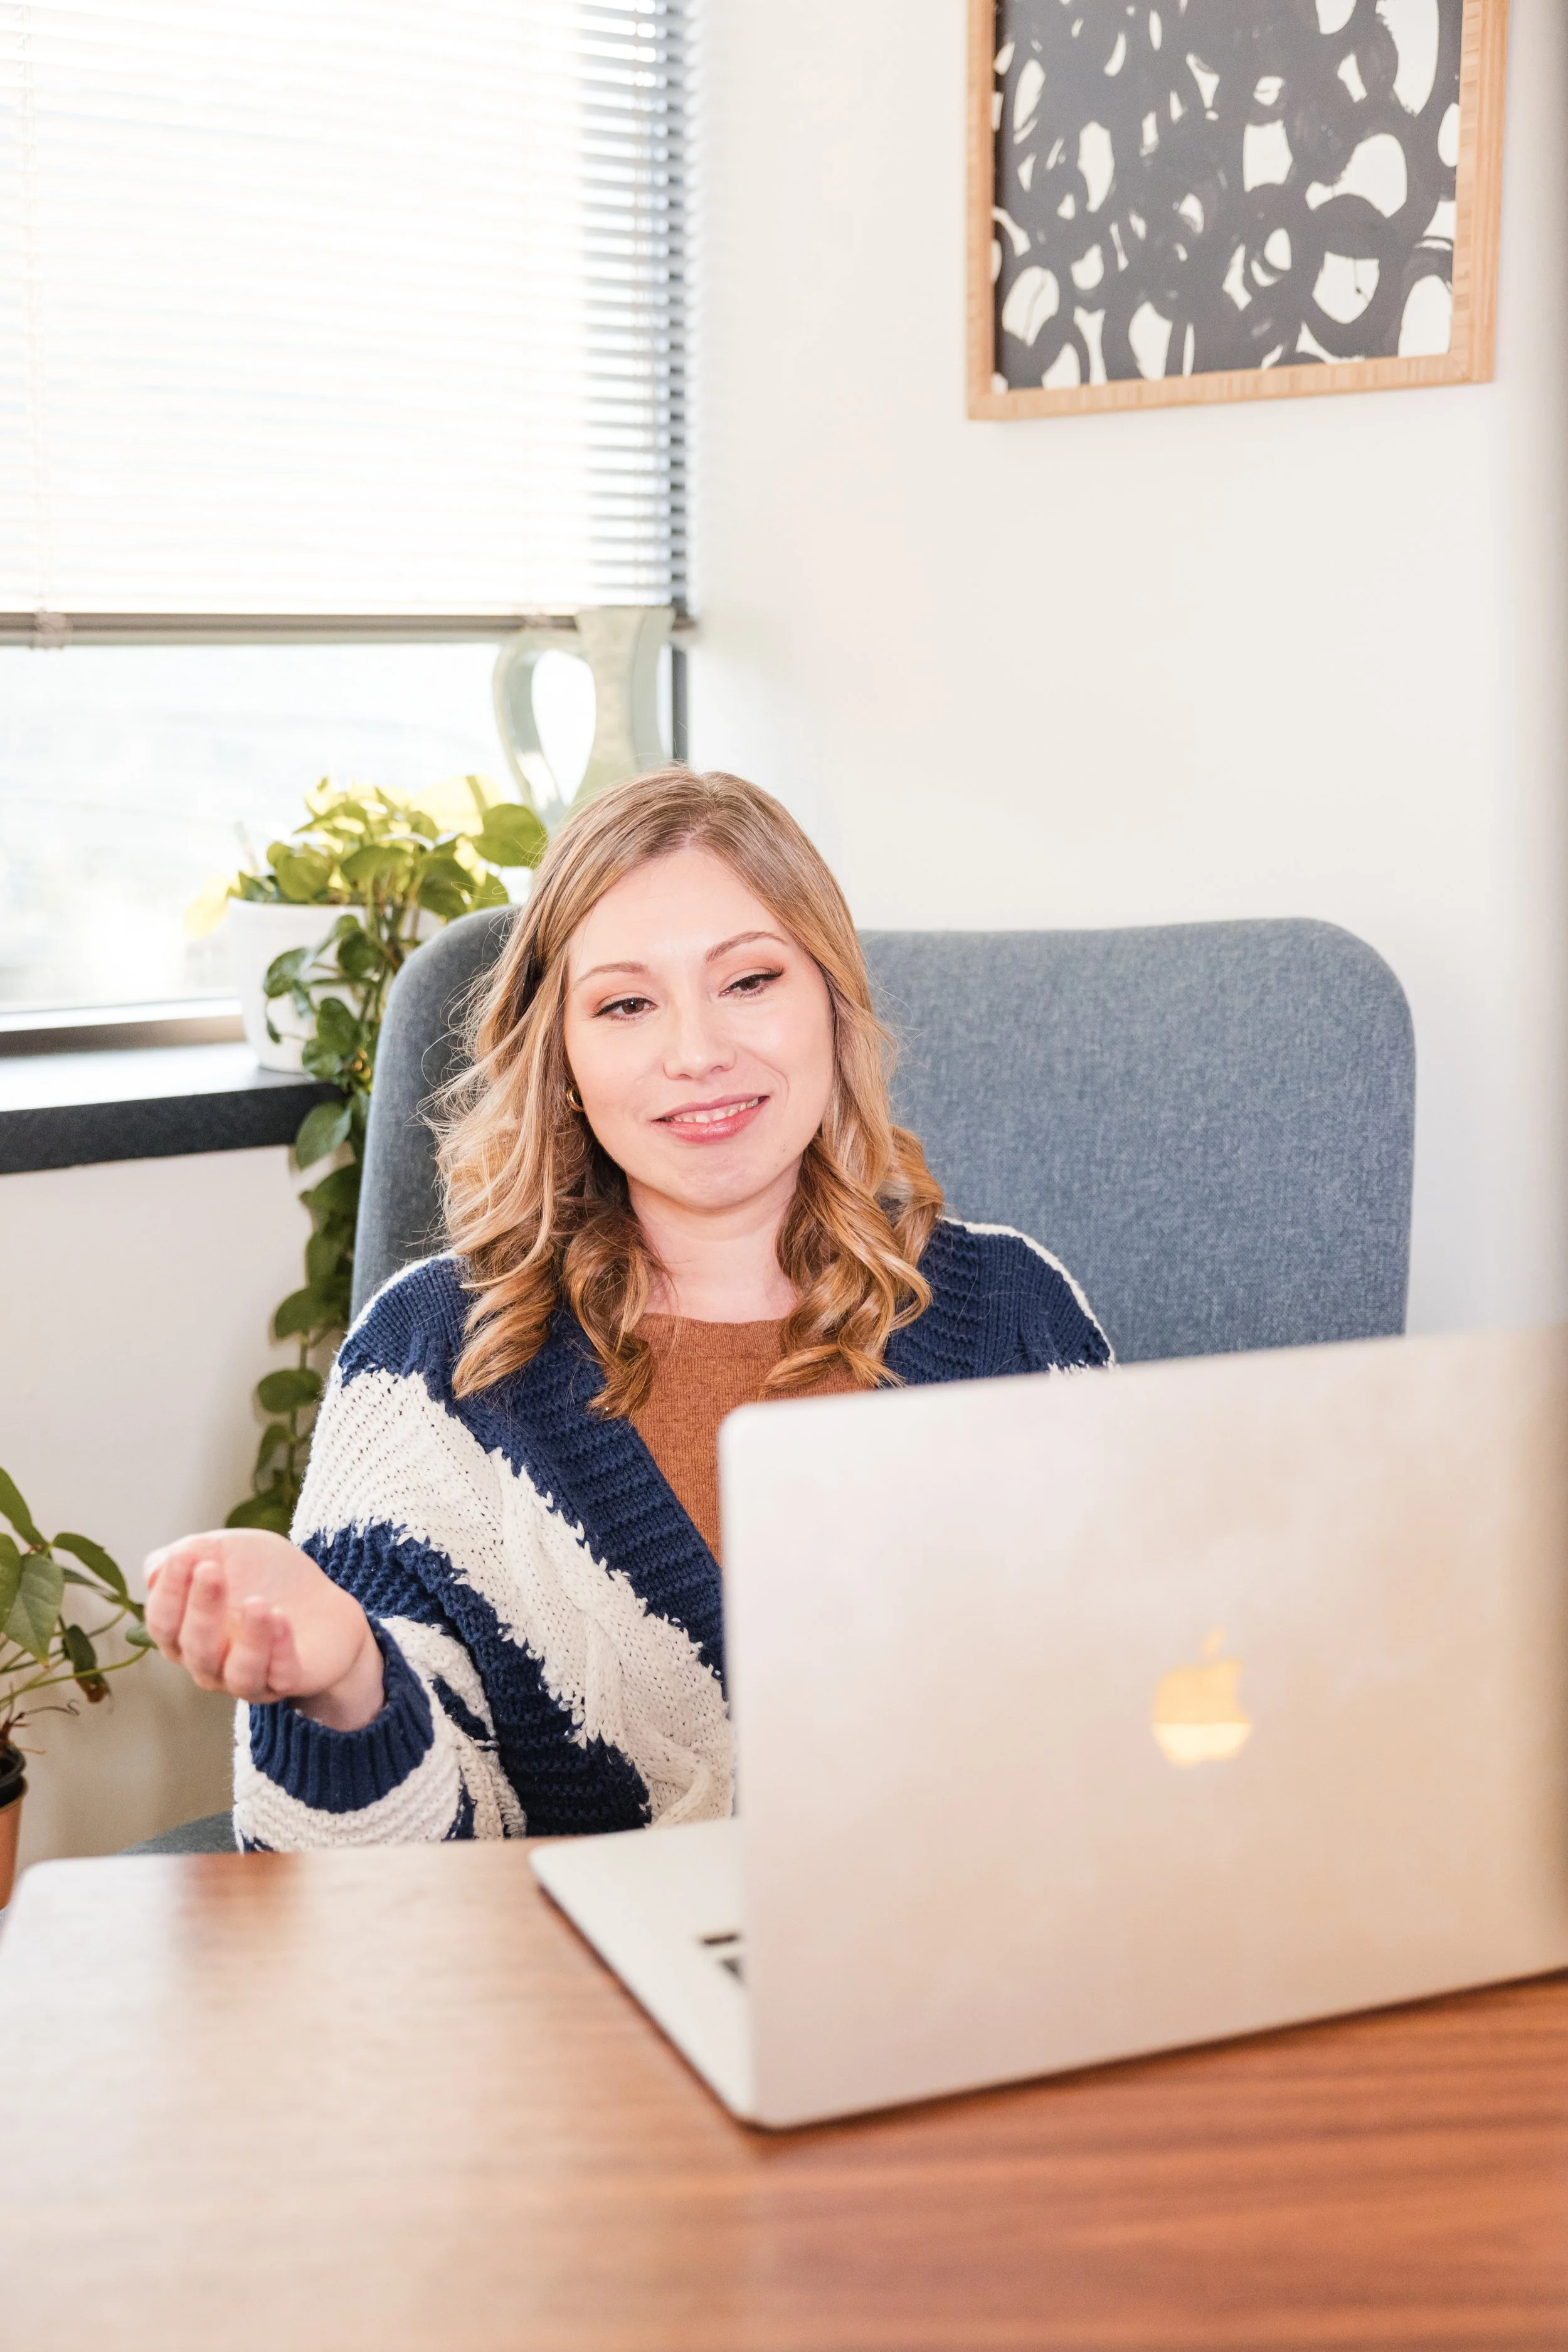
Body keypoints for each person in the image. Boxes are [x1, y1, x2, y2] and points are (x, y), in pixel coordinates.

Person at [145, 768, 1111, 1848]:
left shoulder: (1016, 1313)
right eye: (625, 1003)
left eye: (749, 982)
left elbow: (1131, 1721)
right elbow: (352, 1895)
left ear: (833, 1007)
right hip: (569, 2005)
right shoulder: (432, 1365)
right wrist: (342, 1689)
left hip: (977, 1983)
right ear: (560, 1054)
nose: (696, 1051)